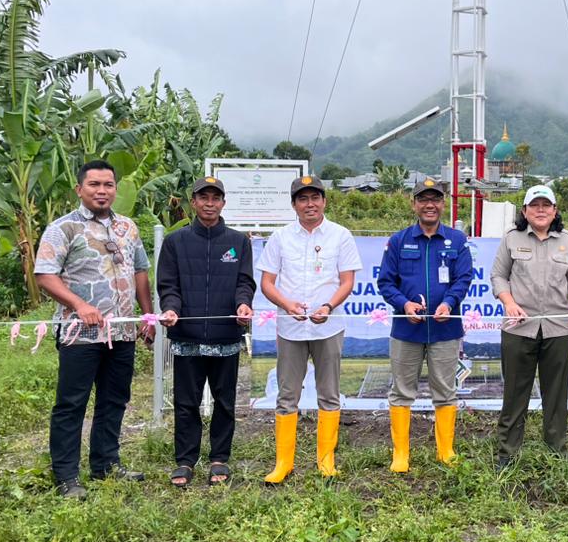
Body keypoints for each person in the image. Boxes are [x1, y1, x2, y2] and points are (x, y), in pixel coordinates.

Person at [35, 160, 154, 499]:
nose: (102, 191)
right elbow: (45, 274)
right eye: (94, 185)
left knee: (115, 399)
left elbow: (141, 272)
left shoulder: (128, 228)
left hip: (123, 334)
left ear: (115, 188)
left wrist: (147, 317)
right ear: (79, 189)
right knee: (71, 404)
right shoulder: (63, 228)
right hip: (80, 335)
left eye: (108, 185)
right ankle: (66, 476)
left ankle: (105, 463)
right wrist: (78, 304)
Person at [259, 174, 360, 481]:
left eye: (315, 197)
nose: (310, 204)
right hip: (290, 328)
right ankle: (283, 464)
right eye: (302, 199)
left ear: (324, 201)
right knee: (286, 395)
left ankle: (326, 461)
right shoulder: (280, 238)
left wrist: (328, 306)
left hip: (328, 327)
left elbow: (347, 281)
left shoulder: (340, 235)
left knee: (329, 394)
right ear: (294, 205)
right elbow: (267, 282)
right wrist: (287, 304)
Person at [157, 177, 257, 487]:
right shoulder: (176, 242)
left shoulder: (239, 242)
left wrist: (243, 306)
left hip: (226, 336)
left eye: (215, 197)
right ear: (194, 202)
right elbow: (168, 285)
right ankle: (185, 461)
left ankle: (219, 458)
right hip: (186, 336)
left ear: (223, 203)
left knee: (225, 402)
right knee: (186, 403)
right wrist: (171, 308)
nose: (209, 203)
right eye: (203, 197)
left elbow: (245, 282)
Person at [377, 177, 473, 472]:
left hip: (445, 330)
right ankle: (401, 455)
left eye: (435, 199)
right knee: (402, 391)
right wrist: (404, 304)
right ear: (414, 204)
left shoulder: (457, 240)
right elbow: (385, 281)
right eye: (423, 199)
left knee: (445, 391)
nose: (429, 205)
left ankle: (445, 452)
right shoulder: (398, 241)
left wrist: (449, 303)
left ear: (443, 204)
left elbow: (464, 278)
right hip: (407, 330)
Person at [491, 185, 568, 467]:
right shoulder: (511, 239)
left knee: (557, 393)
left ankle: (557, 448)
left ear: (555, 210)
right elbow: (498, 276)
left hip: (559, 329)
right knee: (514, 393)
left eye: (546, 205)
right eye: (534, 205)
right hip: (518, 328)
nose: (541, 210)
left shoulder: (567, 240)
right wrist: (509, 302)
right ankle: (507, 453)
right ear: (524, 211)